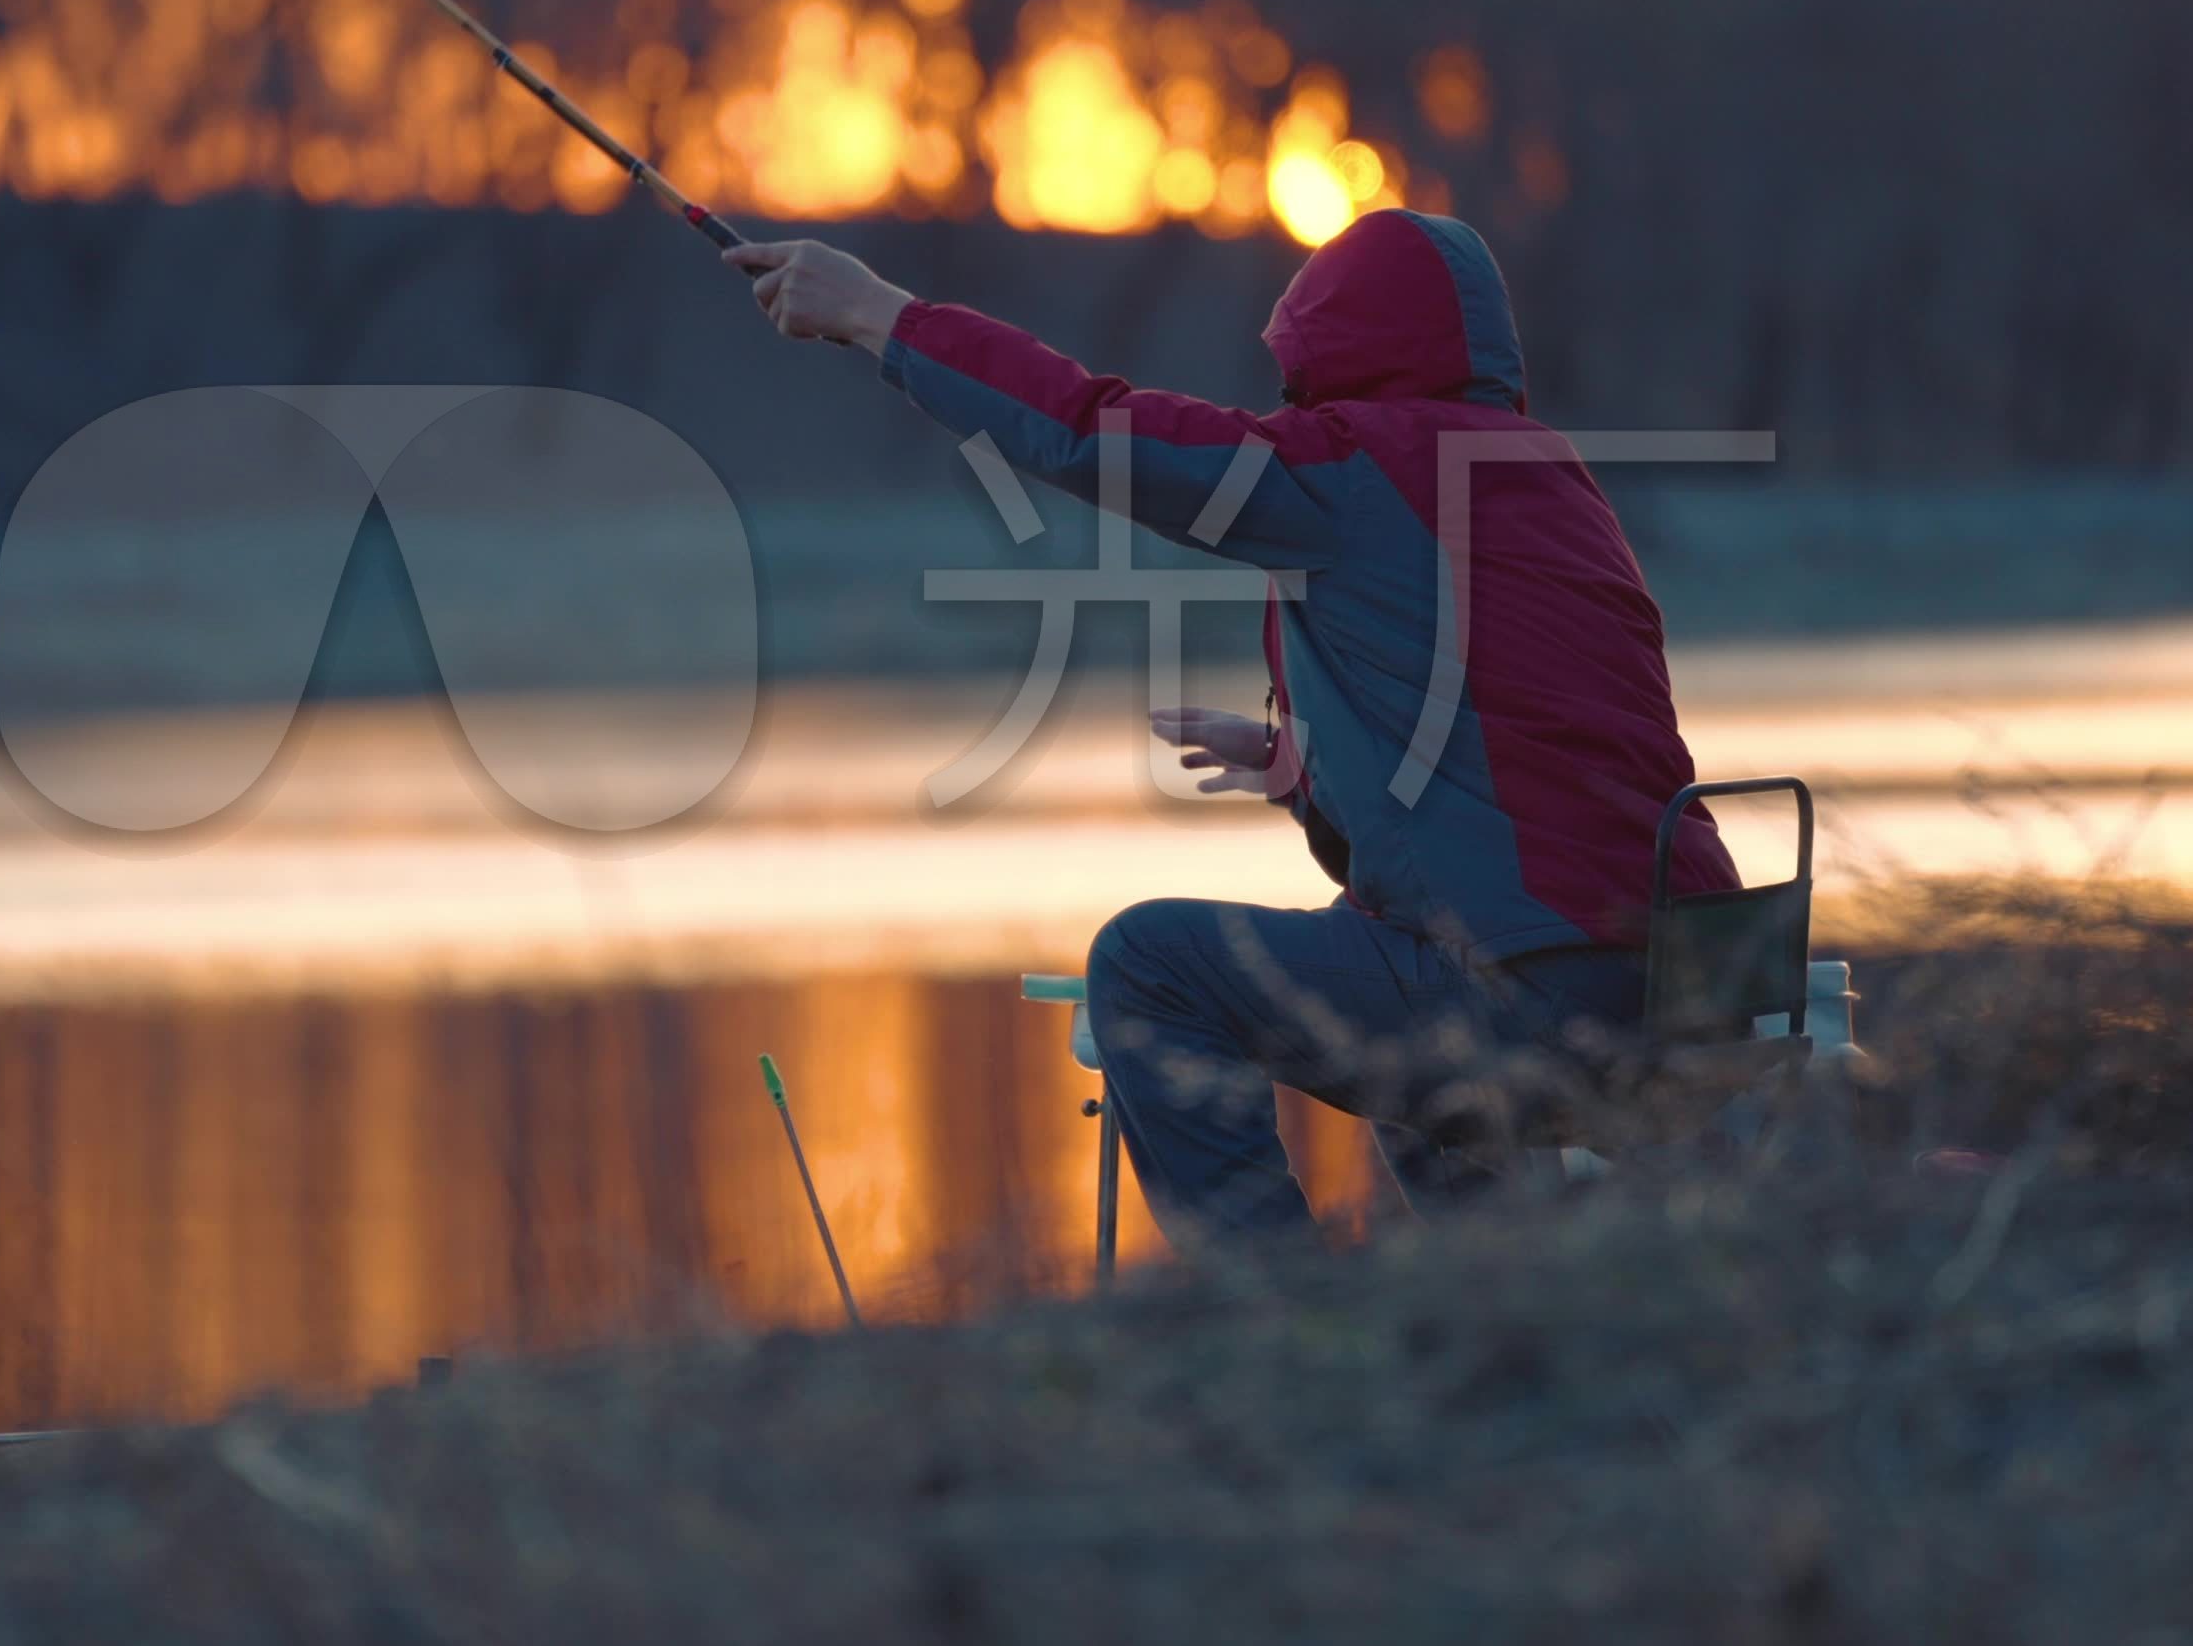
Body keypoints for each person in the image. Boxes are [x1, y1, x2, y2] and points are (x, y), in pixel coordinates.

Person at [724, 209, 1734, 1239]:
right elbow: (1531, 727)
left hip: (1537, 1000)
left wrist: (882, 317)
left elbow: (1089, 429)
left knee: (1147, 965)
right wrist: (1307, 767)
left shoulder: (1360, 466)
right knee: (1389, 968)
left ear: (1335, 353)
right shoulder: (1547, 476)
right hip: (1700, 991)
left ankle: (1283, 1317)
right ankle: (1492, 1319)